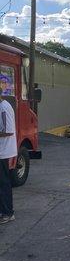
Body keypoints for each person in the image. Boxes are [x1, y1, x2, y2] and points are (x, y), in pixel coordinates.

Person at [0, 89, 16, 224]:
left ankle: (8, 213)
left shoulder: (4, 107)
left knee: (3, 183)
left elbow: (8, 131)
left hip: (3, 151)